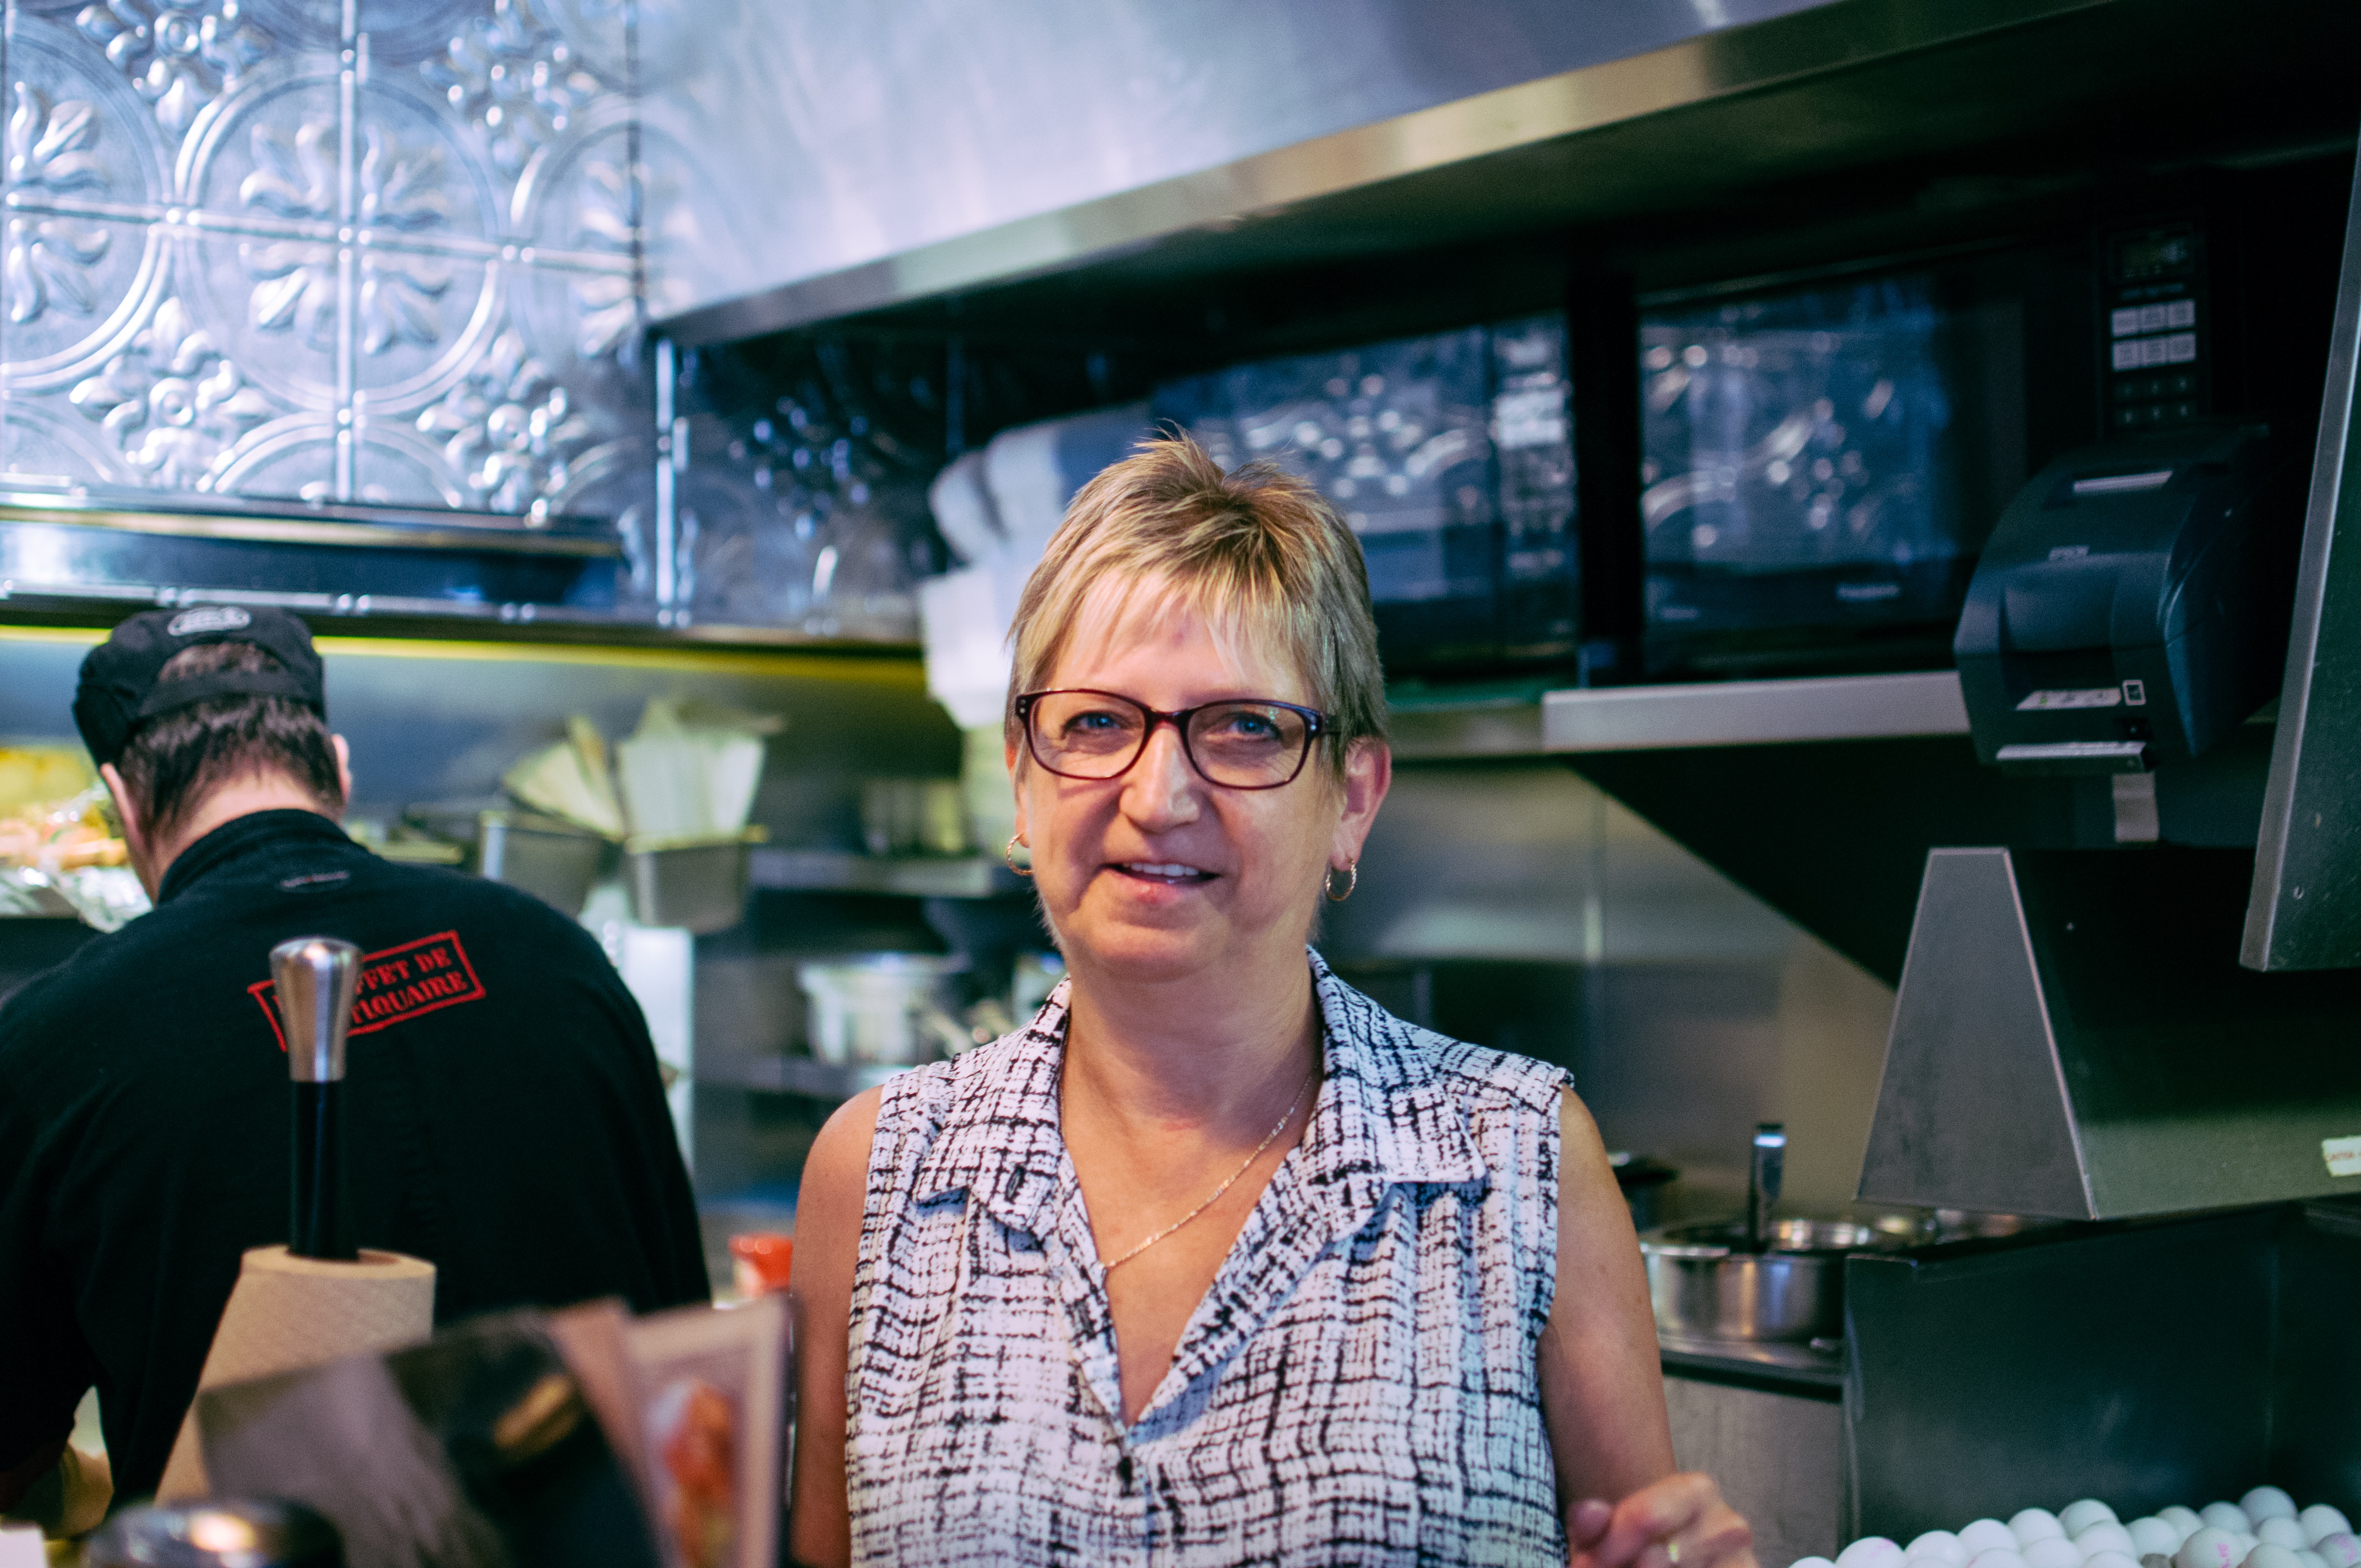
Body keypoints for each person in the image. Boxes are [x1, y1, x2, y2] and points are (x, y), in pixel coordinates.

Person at [788, 437, 1758, 1566]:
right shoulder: (882, 1175)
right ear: (1021, 775)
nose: (1157, 796)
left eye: (1244, 726)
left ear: (1352, 798)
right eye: (1096, 722)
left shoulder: (1517, 1165)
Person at [0, 606, 708, 1519]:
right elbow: (687, 1346)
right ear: (337, 768)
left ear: (122, 803)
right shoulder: (558, 954)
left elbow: (10, 1454)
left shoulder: (54, 1043)